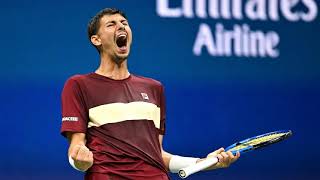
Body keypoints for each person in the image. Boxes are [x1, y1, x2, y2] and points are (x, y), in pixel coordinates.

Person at [60, 8, 240, 180]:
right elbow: (77, 147)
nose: (121, 26)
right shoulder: (78, 85)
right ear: (96, 40)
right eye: (111, 24)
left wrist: (204, 163)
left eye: (124, 23)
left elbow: (157, 154)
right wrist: (80, 161)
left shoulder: (154, 88)